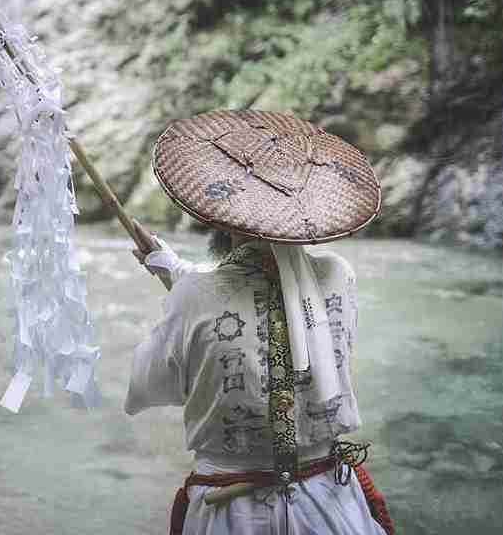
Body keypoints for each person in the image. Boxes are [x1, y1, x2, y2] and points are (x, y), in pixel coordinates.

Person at [124, 109, 394, 535]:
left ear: (218, 216)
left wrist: (180, 288)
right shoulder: (338, 275)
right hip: (330, 506)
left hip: (235, 512)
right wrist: (170, 267)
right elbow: (273, 289)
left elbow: (152, 384)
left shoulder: (195, 297)